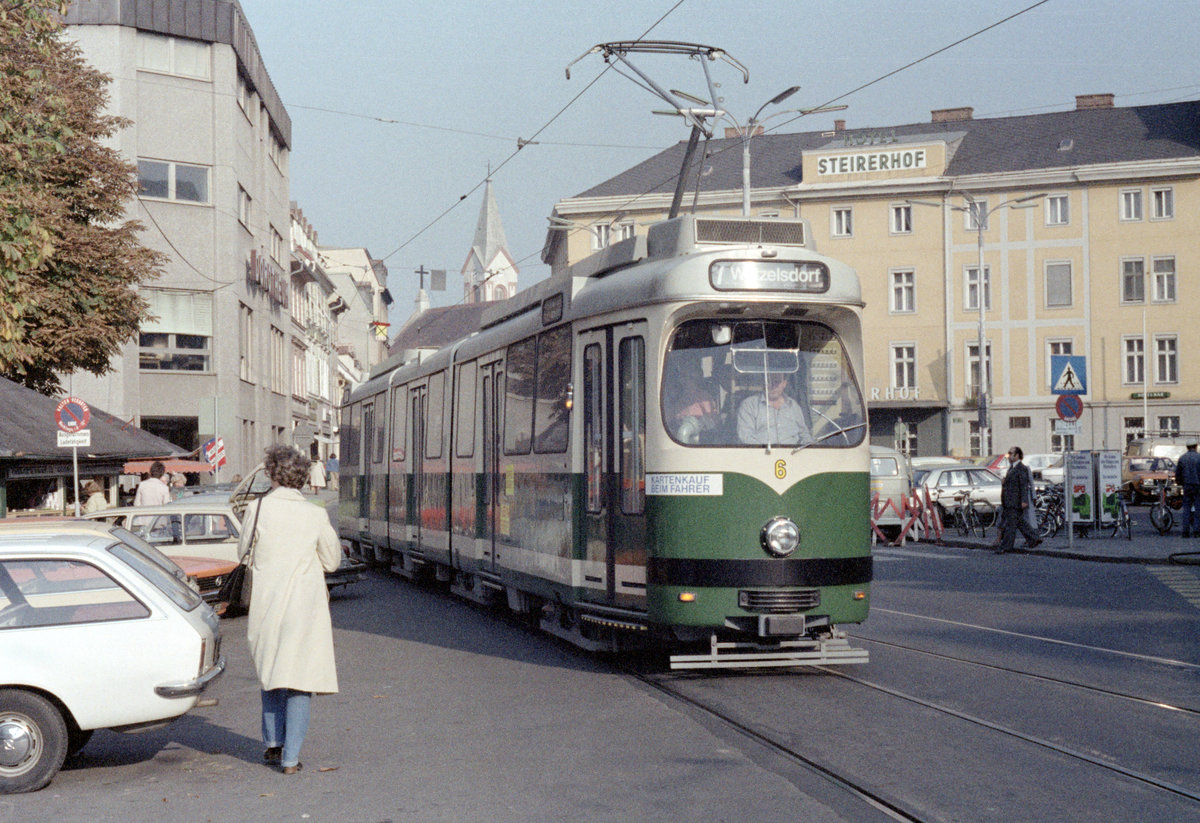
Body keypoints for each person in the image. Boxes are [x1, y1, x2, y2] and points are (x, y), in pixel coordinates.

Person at [239, 444, 342, 775]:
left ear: (270, 473)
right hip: (304, 608)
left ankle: (272, 743)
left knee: (272, 674)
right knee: (300, 679)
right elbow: (332, 561)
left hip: (267, 604)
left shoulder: (256, 510)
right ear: (301, 477)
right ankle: (290, 758)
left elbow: (243, 553)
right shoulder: (315, 513)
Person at [737, 372, 812, 446]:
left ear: (784, 383)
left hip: (792, 454)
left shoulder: (793, 406)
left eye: (777, 382)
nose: (773, 386)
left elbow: (804, 434)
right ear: (763, 382)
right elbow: (746, 437)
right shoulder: (749, 405)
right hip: (762, 454)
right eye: (769, 381)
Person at [996, 446, 1042, 554]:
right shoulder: (1012, 468)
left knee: (1011, 525)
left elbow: (1023, 486)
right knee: (1020, 522)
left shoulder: (1021, 468)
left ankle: (1006, 547)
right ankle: (1034, 538)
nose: (1008, 456)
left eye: (1010, 453)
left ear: (1017, 455)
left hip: (1015, 501)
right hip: (1009, 501)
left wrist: (1024, 500)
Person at [665, 366, 720, 444]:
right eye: (683, 376)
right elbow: (668, 418)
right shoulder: (678, 398)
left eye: (690, 377)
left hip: (699, 441)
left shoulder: (703, 397)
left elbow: (712, 420)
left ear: (697, 379)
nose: (685, 380)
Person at [1175, 441, 1200, 538]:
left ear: (1187, 447)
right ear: (1196, 446)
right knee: (1198, 509)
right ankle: (1196, 531)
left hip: (1187, 486)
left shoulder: (1182, 458)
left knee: (1186, 509)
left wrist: (1180, 483)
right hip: (1198, 486)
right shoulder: (1199, 457)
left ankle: (1185, 531)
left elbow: (1178, 474)